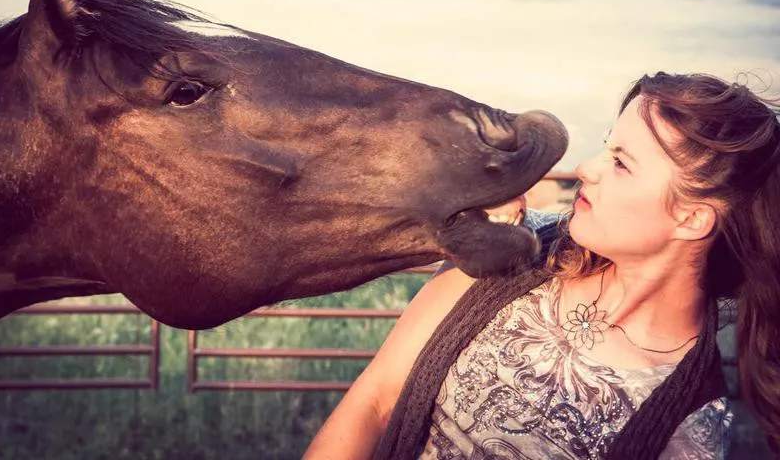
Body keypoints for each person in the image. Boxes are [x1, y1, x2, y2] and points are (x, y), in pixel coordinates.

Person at [303, 72, 780, 460]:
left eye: (621, 163)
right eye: (606, 146)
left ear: (692, 218)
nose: (586, 168)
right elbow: (375, 403)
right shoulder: (518, 249)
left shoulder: (686, 427)